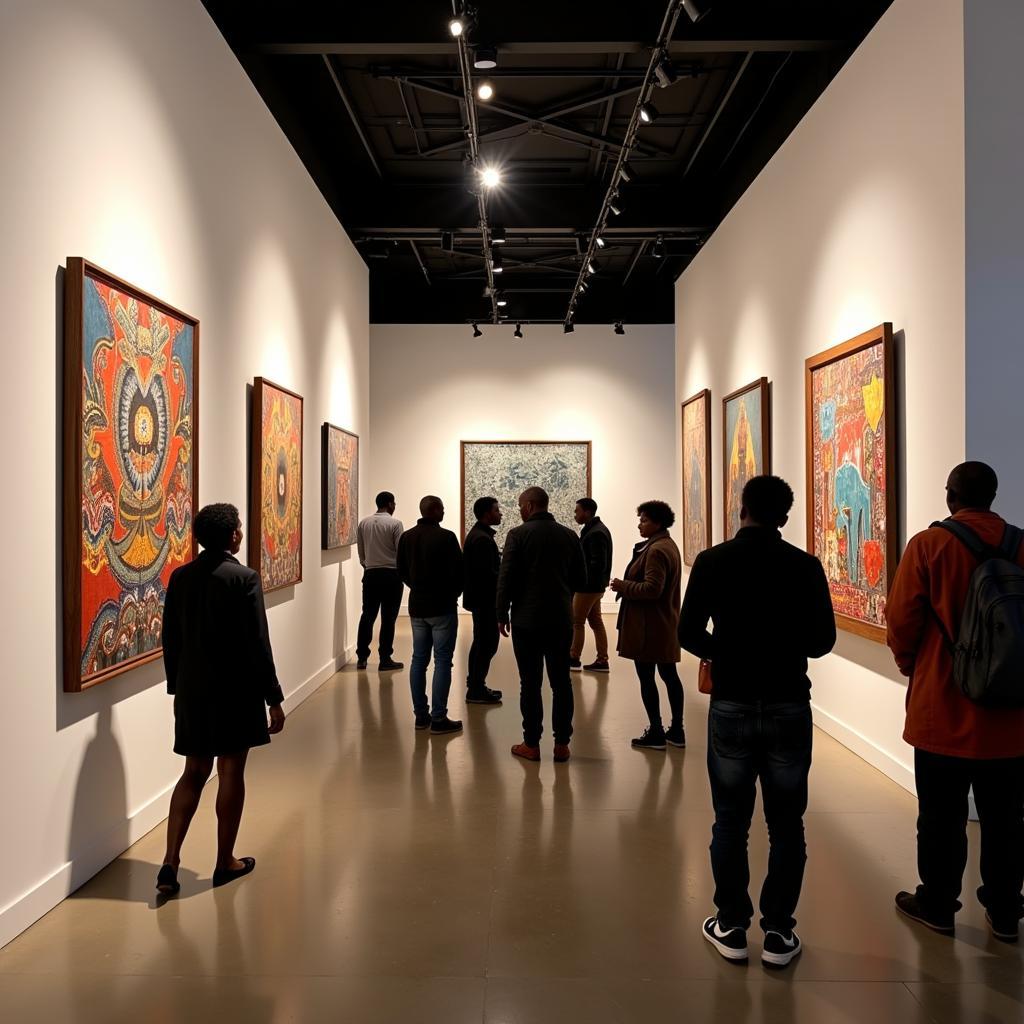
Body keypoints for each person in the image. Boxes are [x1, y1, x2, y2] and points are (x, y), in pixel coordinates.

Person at [678, 475, 835, 968]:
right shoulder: (804, 566)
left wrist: (726, 654)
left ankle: (730, 924)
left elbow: (687, 632)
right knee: (788, 824)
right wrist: (782, 647)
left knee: (731, 820)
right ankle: (779, 934)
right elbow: (821, 641)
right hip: (789, 701)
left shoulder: (713, 561)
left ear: (740, 508)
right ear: (784, 517)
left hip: (732, 701)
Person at [886, 461, 1024, 942]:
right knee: (1007, 817)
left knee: (941, 815)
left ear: (950, 496)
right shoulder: (1021, 543)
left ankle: (939, 903)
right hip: (1010, 714)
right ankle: (1006, 909)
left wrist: (913, 666)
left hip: (942, 706)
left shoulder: (928, 546)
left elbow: (902, 620)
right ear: (993, 495)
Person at [157, 503, 286, 895]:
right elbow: (257, 643)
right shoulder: (243, 578)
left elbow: (171, 638)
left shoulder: (181, 577)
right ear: (232, 536)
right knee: (231, 771)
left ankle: (169, 863)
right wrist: (274, 697)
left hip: (193, 689)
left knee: (193, 772)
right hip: (236, 690)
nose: (242, 533)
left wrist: (178, 686)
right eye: (241, 528)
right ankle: (224, 862)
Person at [497, 486, 588, 762]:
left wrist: (501, 613)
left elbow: (507, 578)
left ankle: (531, 744)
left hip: (527, 621)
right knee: (562, 683)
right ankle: (562, 744)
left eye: (520, 505)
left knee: (530, 683)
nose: (519, 510)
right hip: (561, 619)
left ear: (530, 505)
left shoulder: (518, 535)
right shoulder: (569, 535)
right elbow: (581, 579)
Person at [610, 500, 684, 750]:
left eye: (644, 520)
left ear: (658, 523)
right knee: (669, 676)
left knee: (648, 677)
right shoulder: (667, 545)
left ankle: (656, 731)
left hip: (649, 627)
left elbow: (652, 589)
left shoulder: (656, 550)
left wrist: (623, 586)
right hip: (663, 623)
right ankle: (676, 730)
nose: (639, 524)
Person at [396, 495, 464, 734]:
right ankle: (438, 718)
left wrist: (416, 586)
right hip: (442, 606)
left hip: (417, 606)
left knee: (418, 660)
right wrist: (453, 593)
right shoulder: (446, 537)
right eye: (442, 509)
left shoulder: (407, 537)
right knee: (443, 660)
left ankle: (420, 716)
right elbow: (458, 571)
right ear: (434, 511)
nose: (444, 512)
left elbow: (402, 570)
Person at [355, 491, 405, 671]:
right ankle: (385, 658)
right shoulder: (395, 524)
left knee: (367, 616)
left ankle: (361, 657)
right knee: (388, 618)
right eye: (394, 503)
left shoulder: (363, 523)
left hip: (370, 574)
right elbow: (401, 552)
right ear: (390, 504)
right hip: (391, 575)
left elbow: (361, 554)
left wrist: (369, 565)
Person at [462, 496, 504, 704]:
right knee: (486, 644)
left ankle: (476, 685)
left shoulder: (480, 536)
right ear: (487, 513)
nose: (500, 513)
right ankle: (476, 688)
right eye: (497, 510)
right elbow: (487, 576)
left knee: (483, 643)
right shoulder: (481, 539)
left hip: (482, 600)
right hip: (485, 601)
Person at [570, 497, 613, 673]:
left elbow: (597, 563)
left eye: (577, 511)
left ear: (587, 512)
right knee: (596, 621)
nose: (575, 514)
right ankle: (602, 660)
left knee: (576, 621)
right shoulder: (596, 529)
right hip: (596, 586)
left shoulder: (595, 533)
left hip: (588, 587)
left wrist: (581, 579)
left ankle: (573, 658)